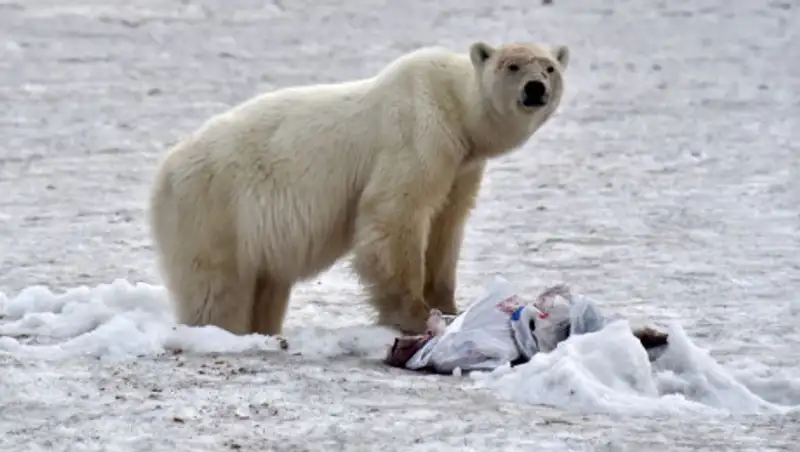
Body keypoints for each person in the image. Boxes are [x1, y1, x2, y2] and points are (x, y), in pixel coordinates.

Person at [384, 279, 669, 374]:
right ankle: (634, 344)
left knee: (581, 323)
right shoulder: (443, 353)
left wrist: (439, 327)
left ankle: (633, 343)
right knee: (582, 329)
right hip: (533, 336)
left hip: (533, 327)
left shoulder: (443, 343)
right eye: (403, 347)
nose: (403, 341)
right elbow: (485, 351)